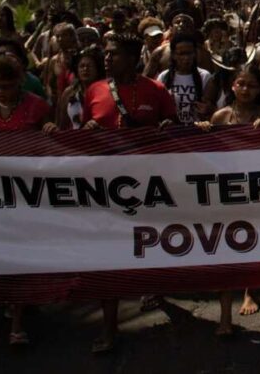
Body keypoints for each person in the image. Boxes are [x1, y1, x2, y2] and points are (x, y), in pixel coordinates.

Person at [81, 33, 177, 353]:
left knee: (148, 245)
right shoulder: (93, 90)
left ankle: (154, 286)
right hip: (105, 191)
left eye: (114, 55)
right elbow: (81, 138)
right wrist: (88, 132)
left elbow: (175, 131)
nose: (106, 59)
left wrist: (166, 128)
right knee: (108, 257)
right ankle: (109, 331)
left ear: (133, 58)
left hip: (148, 188)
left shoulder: (157, 90)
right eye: (106, 54)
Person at [0, 56, 51, 346]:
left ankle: (18, 322)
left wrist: (49, 131)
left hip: (28, 191)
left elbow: (52, 146)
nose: (1, 92)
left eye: (7, 86)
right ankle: (14, 298)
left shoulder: (37, 106)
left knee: (21, 251)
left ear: (20, 82)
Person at [198, 63, 260, 335]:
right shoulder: (220, 116)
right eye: (241, 84)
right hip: (226, 194)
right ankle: (224, 317)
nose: (245, 89)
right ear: (232, 86)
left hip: (257, 193)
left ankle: (250, 291)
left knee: (252, 247)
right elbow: (203, 149)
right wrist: (202, 129)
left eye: (252, 85)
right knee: (225, 252)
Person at [156, 33, 215, 124]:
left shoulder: (204, 76)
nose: (186, 58)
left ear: (195, 54)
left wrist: (206, 110)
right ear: (173, 55)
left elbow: (210, 107)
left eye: (189, 53)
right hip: (172, 130)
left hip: (196, 131)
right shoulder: (164, 77)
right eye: (181, 54)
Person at [44, 46, 105, 131]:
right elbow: (61, 125)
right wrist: (53, 128)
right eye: (82, 66)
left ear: (97, 69)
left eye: (89, 66)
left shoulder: (105, 92)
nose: (85, 69)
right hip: (73, 141)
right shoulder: (69, 92)